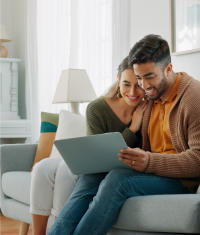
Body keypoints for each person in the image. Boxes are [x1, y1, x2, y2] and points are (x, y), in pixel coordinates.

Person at [48, 34, 200, 235]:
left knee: (118, 180)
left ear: (168, 68)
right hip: (153, 172)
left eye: (149, 77)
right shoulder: (150, 97)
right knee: (90, 177)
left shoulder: (197, 99)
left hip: (183, 180)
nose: (143, 85)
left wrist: (149, 162)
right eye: (139, 78)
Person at [30, 56, 145, 235]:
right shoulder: (97, 108)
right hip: (99, 168)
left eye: (138, 84)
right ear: (118, 81)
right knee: (85, 184)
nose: (132, 91)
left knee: (100, 181)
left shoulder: (149, 109)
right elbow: (97, 156)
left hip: (130, 169)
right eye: (126, 84)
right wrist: (132, 128)